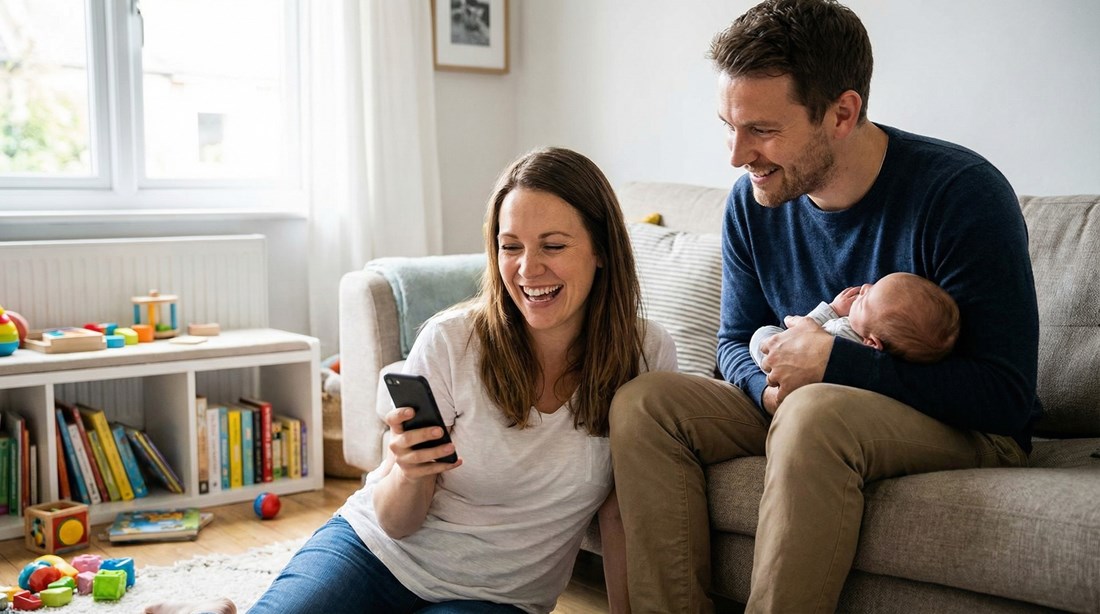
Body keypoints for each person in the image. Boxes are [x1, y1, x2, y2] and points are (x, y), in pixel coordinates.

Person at [608, 1, 1042, 612]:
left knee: (814, 414)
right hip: (795, 398)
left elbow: (1005, 397)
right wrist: (766, 390)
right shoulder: (750, 204)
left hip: (965, 425)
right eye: (728, 126)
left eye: (761, 130)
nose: (736, 155)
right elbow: (733, 342)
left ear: (842, 113)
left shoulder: (961, 195)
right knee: (645, 403)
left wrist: (834, 367)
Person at [145, 147, 677, 614]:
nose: (526, 269)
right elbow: (397, 522)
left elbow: (622, 511)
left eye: (553, 246)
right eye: (510, 246)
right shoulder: (451, 342)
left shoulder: (645, 355)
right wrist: (410, 470)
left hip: (495, 598)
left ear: (602, 249)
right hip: (376, 550)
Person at [749, 272, 960, 367]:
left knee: (764, 335)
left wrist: (831, 310)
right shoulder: (871, 346)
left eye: (865, 301)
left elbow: (796, 336)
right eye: (875, 285)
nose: (866, 287)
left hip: (786, 362)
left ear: (872, 343)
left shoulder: (844, 337)